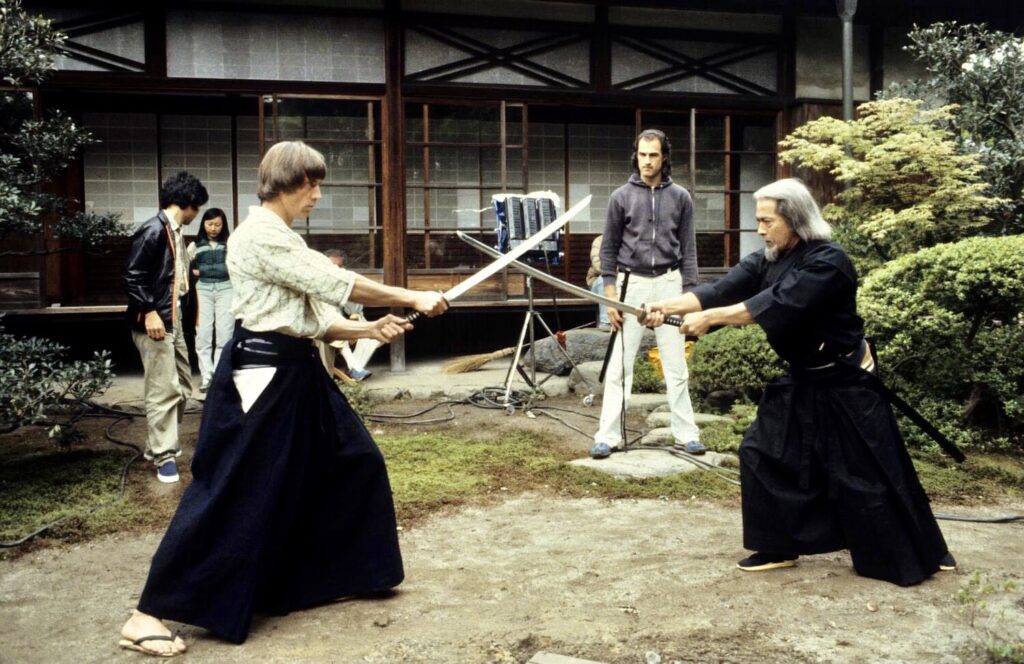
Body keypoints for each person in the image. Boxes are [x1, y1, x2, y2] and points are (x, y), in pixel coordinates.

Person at [117, 141, 447, 656]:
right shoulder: (256, 237)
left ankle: (332, 575)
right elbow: (336, 280)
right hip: (260, 372)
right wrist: (410, 295)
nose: (316, 194)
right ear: (282, 185)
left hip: (297, 367)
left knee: (352, 461)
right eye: (308, 184)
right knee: (232, 486)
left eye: (318, 183)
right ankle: (146, 615)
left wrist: (369, 326)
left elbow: (310, 314)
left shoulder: (285, 238)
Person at [643, 177, 955, 586]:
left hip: (847, 382)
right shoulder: (767, 259)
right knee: (760, 451)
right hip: (803, 378)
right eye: (759, 220)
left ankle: (926, 551)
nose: (760, 229)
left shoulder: (829, 262)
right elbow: (718, 291)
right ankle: (779, 545)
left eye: (767, 221)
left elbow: (775, 303)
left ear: (794, 219)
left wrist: (711, 319)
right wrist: (663, 306)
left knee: (870, 473)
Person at [591, 128, 704, 460]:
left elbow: (690, 251)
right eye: (642, 154)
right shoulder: (621, 197)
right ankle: (607, 436)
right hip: (631, 286)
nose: (647, 161)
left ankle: (687, 434)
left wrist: (691, 300)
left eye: (653, 155)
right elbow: (608, 251)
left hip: (669, 283)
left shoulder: (681, 197)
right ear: (635, 155)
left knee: (675, 365)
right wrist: (610, 299)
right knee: (619, 366)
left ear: (664, 157)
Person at [124, 171, 209, 483]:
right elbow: (132, 276)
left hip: (173, 320)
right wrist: (149, 312)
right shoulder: (152, 230)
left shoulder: (174, 231)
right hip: (154, 321)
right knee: (162, 390)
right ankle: (164, 455)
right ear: (186, 203)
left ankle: (158, 444)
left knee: (184, 385)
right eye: (196, 208)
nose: (196, 214)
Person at [186, 208, 233, 392]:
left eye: (218, 225)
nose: (213, 228)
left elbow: (235, 268)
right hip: (203, 290)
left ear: (223, 225)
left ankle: (218, 376)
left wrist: (202, 271)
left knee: (225, 333)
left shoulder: (230, 244)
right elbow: (185, 269)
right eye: (210, 224)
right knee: (203, 333)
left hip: (227, 289)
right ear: (203, 224)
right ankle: (207, 376)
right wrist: (195, 273)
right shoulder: (194, 245)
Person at [324, 248, 376, 381]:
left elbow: (353, 310)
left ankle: (354, 368)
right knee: (339, 333)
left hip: (338, 325)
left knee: (372, 336)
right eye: (332, 266)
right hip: (319, 328)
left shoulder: (342, 283)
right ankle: (355, 369)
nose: (336, 270)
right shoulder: (318, 283)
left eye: (339, 267)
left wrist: (347, 291)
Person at [585, 234, 610, 331]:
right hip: (598, 281)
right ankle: (606, 322)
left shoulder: (629, 240)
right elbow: (598, 264)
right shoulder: (599, 241)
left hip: (622, 281)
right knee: (605, 279)